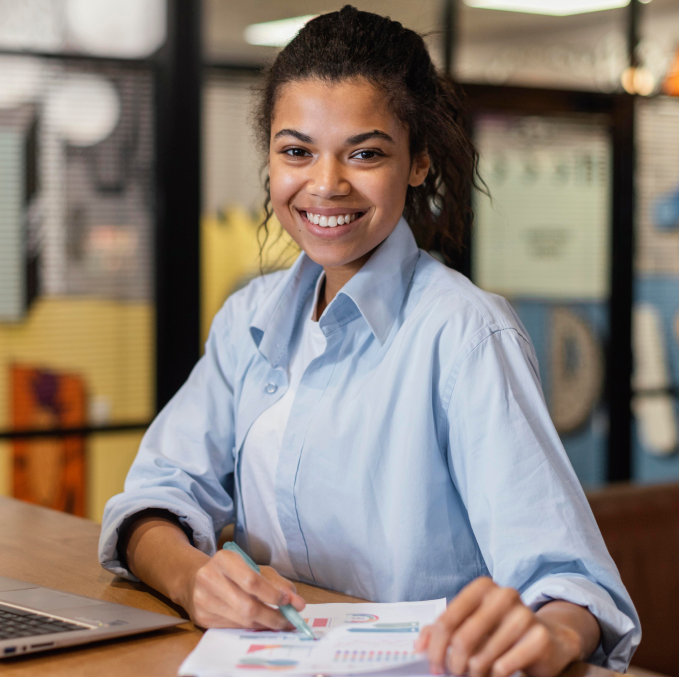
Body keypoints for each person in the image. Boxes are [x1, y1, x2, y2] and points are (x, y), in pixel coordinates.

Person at [99, 7, 640, 676]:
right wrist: (192, 579)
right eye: (297, 151)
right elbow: (153, 497)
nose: (326, 183)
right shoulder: (249, 320)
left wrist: (553, 633)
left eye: (366, 152)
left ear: (417, 163)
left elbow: (572, 585)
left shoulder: (465, 332)